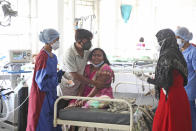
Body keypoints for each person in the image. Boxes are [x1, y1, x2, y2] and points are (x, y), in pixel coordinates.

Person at [147, 29, 192, 131]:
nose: (157, 43)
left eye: (159, 40)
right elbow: (173, 76)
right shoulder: (177, 53)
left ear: (165, 40)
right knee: (179, 124)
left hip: (170, 97)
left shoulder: (166, 55)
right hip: (180, 95)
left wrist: (147, 79)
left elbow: (164, 82)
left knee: (164, 124)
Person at [26, 28, 63, 131]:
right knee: (42, 124)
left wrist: (61, 75)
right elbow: (42, 83)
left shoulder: (53, 57)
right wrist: (57, 79)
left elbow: (51, 76)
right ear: (50, 40)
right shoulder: (42, 56)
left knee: (52, 122)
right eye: (57, 40)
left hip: (51, 94)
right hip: (41, 96)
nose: (58, 42)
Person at [60, 29, 109, 97]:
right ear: (79, 40)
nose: (89, 42)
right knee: (65, 104)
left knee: (77, 102)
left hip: (80, 86)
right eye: (87, 40)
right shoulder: (69, 53)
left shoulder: (86, 51)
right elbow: (75, 75)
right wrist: (94, 83)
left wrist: (106, 67)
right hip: (68, 85)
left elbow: (97, 60)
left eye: (90, 40)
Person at [175, 27, 196, 131]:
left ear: (184, 38)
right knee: (181, 112)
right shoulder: (179, 50)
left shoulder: (193, 52)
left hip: (190, 87)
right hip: (180, 86)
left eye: (178, 38)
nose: (176, 40)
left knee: (190, 113)